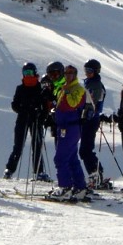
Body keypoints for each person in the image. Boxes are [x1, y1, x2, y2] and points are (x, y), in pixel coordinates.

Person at [48, 64, 89, 201]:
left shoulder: (78, 89)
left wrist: (66, 92)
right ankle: (79, 187)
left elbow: (72, 104)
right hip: (64, 126)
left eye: (71, 73)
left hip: (70, 127)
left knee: (60, 158)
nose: (68, 75)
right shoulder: (65, 87)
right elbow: (60, 105)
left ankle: (65, 187)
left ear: (75, 74)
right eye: (66, 73)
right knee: (71, 158)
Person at [3, 62, 50, 181]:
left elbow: (45, 106)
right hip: (23, 119)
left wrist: (41, 116)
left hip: (36, 120)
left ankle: (39, 171)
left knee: (37, 145)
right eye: (25, 72)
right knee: (18, 146)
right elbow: (14, 104)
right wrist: (23, 109)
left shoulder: (40, 88)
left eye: (29, 72)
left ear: (34, 73)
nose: (27, 75)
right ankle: (9, 170)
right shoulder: (20, 88)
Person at [80, 59, 108, 189]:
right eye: (86, 70)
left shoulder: (95, 85)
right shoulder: (90, 83)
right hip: (87, 119)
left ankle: (96, 174)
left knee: (85, 150)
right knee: (85, 150)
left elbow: (93, 104)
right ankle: (96, 173)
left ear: (96, 71)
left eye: (90, 71)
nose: (87, 73)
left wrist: (86, 115)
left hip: (91, 120)